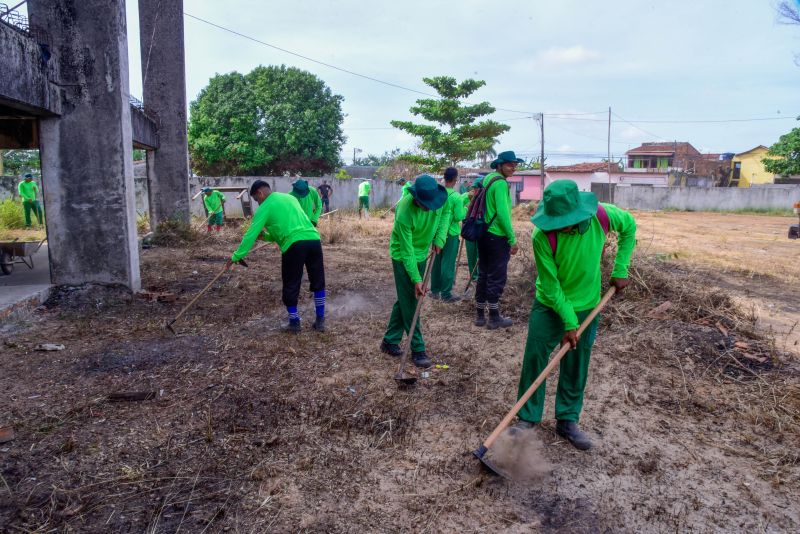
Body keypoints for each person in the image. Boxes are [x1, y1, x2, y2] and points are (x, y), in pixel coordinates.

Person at [515, 180, 636, 450]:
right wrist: (569, 321)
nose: (558, 226)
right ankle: (527, 417)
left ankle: (567, 419)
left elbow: (629, 227)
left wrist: (621, 268)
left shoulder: (603, 216)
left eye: (564, 221)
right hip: (549, 304)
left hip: (587, 304)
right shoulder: (542, 236)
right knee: (535, 357)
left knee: (576, 361)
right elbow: (550, 284)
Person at [227, 180, 326, 333]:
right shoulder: (290, 198)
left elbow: (250, 235)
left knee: (291, 283)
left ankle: (294, 323)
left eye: (256, 199)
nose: (257, 203)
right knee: (318, 280)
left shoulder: (265, 207)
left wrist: (236, 256)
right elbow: (282, 230)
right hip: (313, 239)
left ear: (260, 193)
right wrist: (265, 237)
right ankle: (320, 321)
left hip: (294, 245)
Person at [379, 175, 448, 368]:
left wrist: (440, 239)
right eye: (423, 204)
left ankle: (389, 341)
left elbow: (444, 217)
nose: (428, 208)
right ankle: (418, 348)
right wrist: (417, 279)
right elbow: (406, 250)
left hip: (421, 254)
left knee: (405, 298)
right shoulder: (404, 211)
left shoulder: (438, 200)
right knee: (412, 301)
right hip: (402, 256)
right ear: (415, 197)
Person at [475, 151, 522, 329]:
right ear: (499, 165)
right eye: (510, 164)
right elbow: (503, 214)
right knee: (496, 276)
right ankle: (494, 317)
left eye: (515, 165)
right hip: (497, 236)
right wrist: (512, 239)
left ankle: (479, 315)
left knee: (484, 273)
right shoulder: (500, 183)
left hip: (484, 234)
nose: (513, 168)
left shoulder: (488, 179)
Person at [430, 167, 466, 303]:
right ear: (455, 179)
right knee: (448, 263)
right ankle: (446, 294)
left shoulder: (439, 193)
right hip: (450, 234)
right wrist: (466, 209)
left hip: (436, 232)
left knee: (436, 262)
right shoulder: (456, 197)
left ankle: (434, 291)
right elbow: (458, 216)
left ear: (445, 178)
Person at [461, 177, 483, 287]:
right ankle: (473, 276)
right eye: (474, 187)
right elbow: (460, 208)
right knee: (471, 254)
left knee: (480, 252)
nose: (475, 189)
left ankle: (480, 275)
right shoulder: (465, 196)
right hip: (469, 228)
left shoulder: (485, 198)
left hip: (480, 229)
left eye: (477, 187)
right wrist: (466, 208)